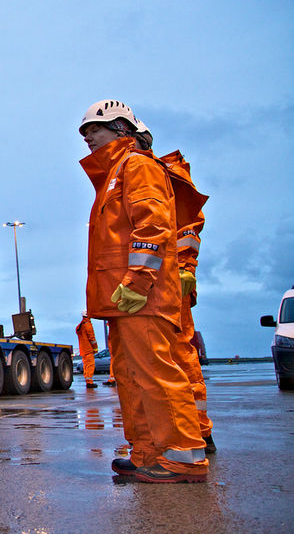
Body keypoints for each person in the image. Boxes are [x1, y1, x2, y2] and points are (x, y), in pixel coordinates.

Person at [79, 100, 208, 483]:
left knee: (156, 376)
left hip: (142, 296)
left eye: (94, 129)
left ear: (122, 128)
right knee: (133, 377)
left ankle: (182, 459)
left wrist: (138, 281)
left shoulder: (137, 166)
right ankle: (148, 452)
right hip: (123, 299)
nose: (87, 137)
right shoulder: (116, 173)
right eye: (83, 132)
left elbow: (152, 226)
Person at [134, 121, 216, 454]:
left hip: (168, 280)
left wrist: (185, 268)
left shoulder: (159, 174)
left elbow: (185, 229)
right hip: (160, 279)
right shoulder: (144, 173)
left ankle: (195, 436)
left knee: (177, 357)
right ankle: (192, 434)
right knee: (171, 361)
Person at [76, 314, 100, 388]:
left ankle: (88, 381)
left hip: (83, 349)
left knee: (86, 366)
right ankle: (89, 382)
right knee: (90, 365)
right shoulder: (88, 325)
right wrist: (95, 348)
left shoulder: (80, 326)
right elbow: (92, 338)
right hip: (88, 349)